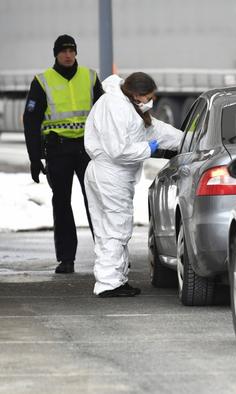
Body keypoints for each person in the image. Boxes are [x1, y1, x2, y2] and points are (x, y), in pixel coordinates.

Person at [84, 72, 182, 297]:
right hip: (111, 174)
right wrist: (150, 148)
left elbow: (154, 129)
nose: (151, 101)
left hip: (107, 173)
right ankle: (110, 283)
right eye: (149, 97)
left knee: (107, 229)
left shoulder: (127, 105)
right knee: (116, 229)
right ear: (137, 94)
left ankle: (113, 278)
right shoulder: (116, 108)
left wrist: (185, 138)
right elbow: (119, 151)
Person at [23, 34, 103, 274]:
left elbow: (104, 113)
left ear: (76, 52)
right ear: (56, 54)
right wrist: (34, 157)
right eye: (63, 51)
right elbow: (31, 120)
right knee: (61, 204)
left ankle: (107, 254)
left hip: (86, 150)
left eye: (71, 50)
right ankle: (66, 258)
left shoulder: (90, 77)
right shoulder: (42, 81)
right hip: (58, 151)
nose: (68, 54)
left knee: (97, 204)